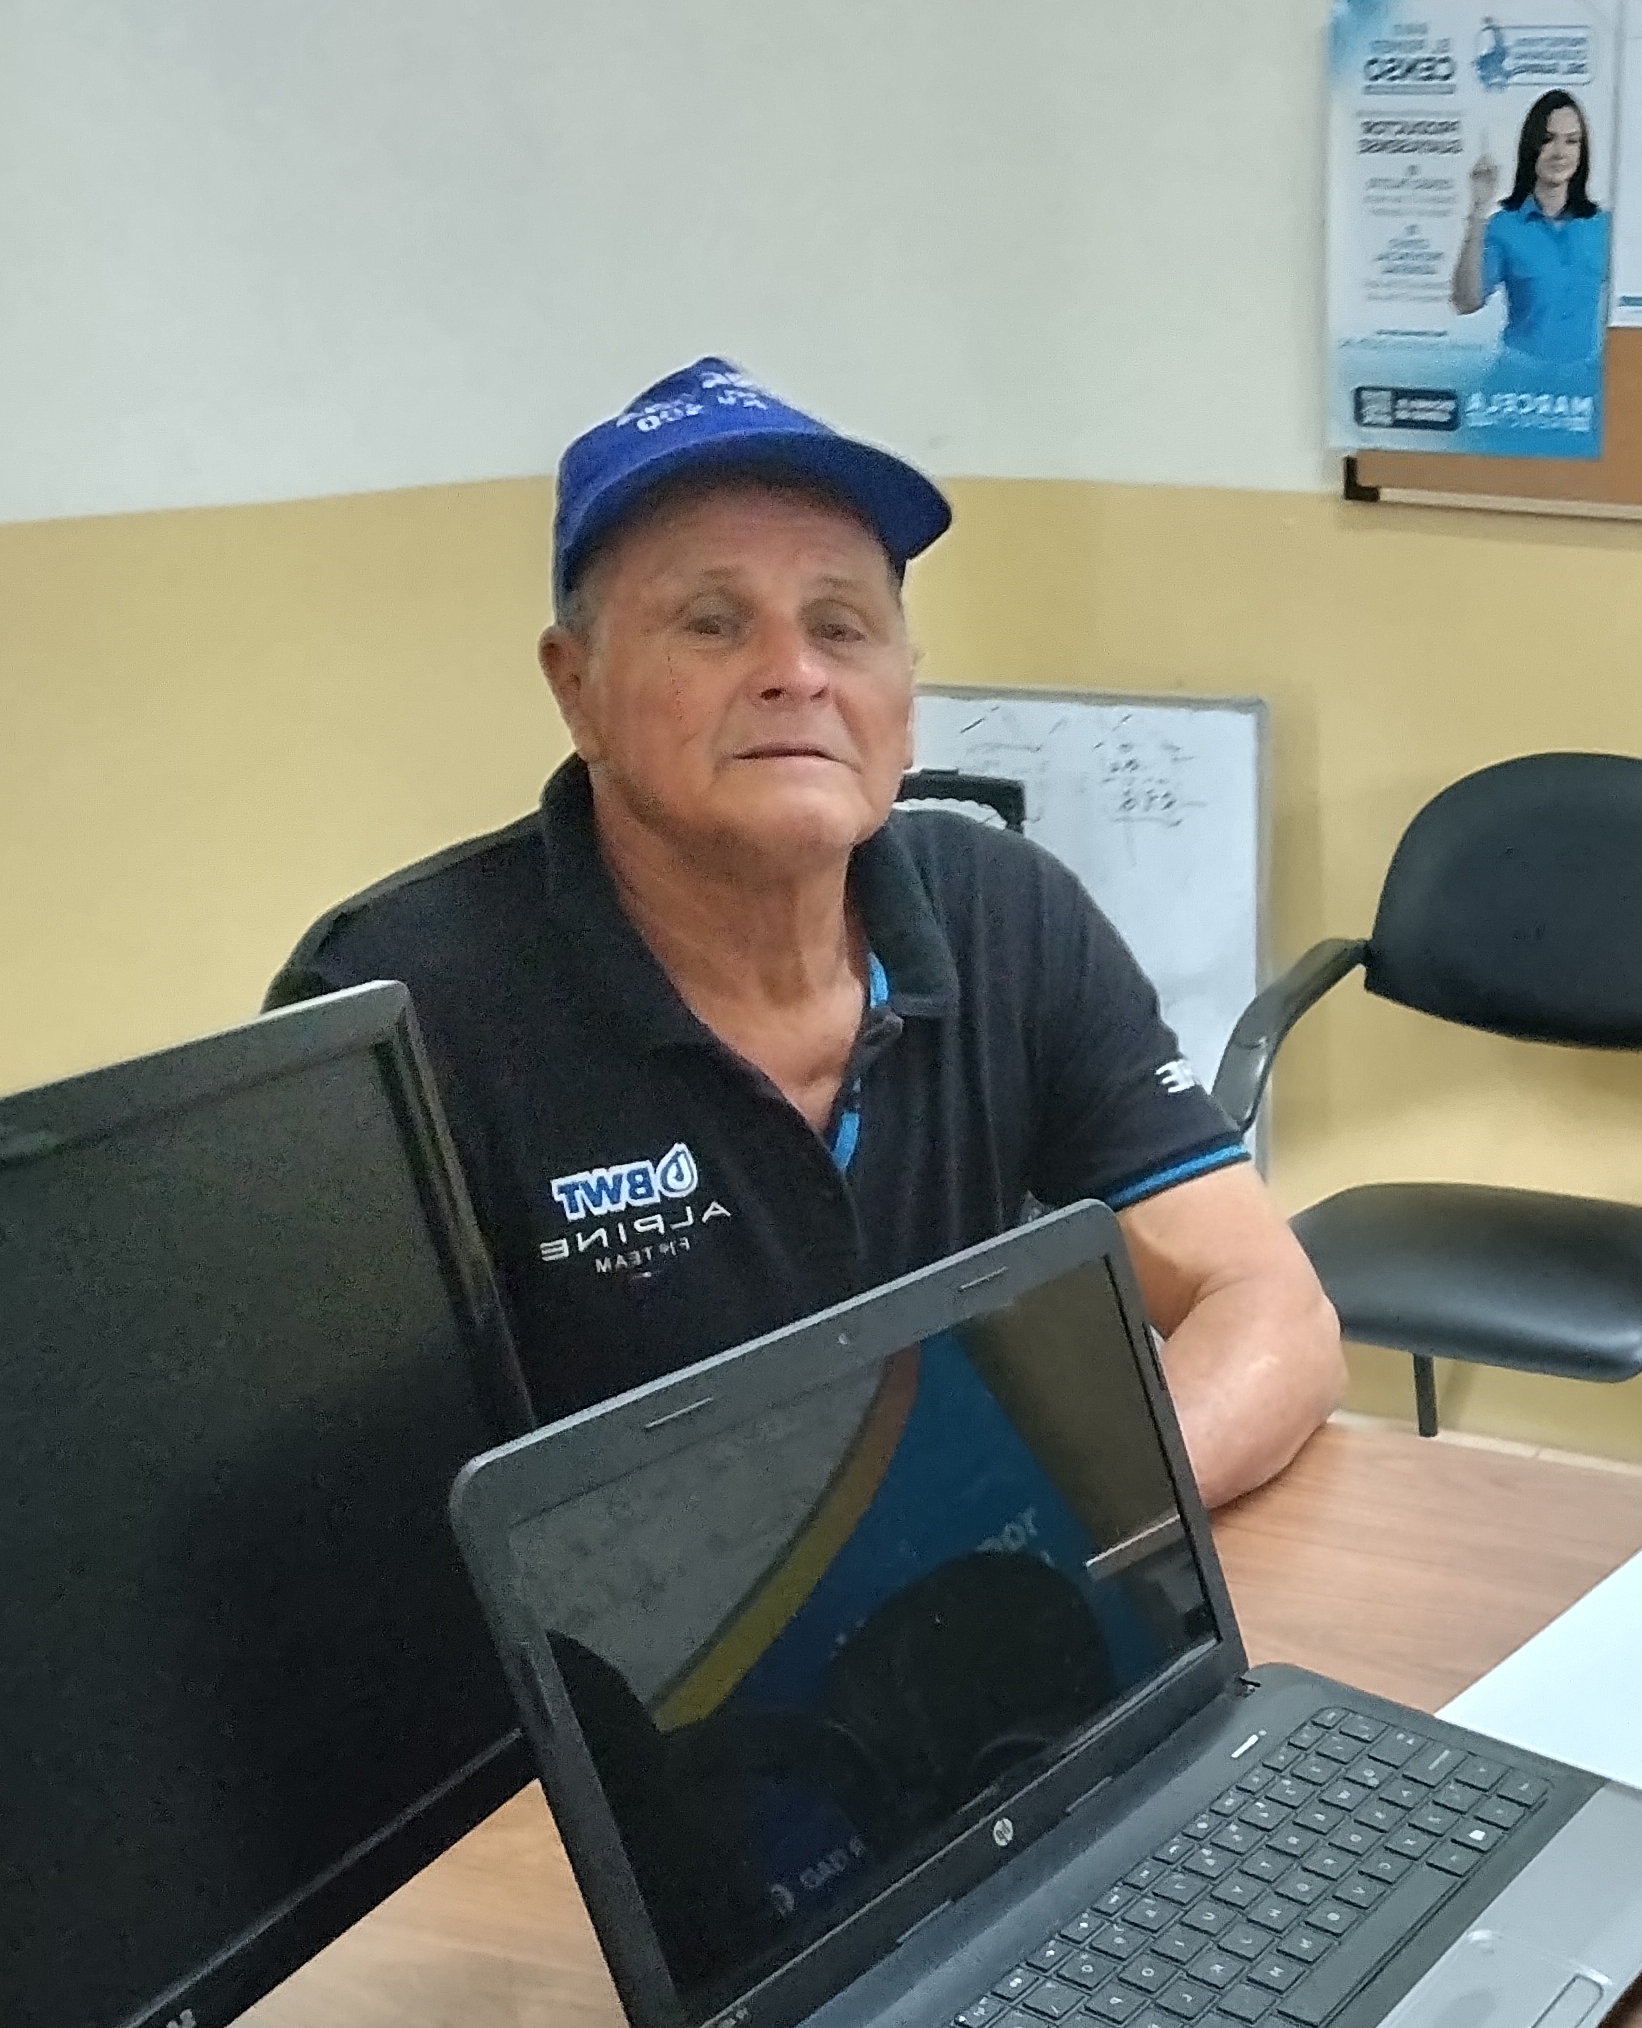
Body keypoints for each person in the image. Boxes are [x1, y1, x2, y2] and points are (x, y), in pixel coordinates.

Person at [269, 358, 1343, 1500]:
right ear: (575, 686)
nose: (794, 674)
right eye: (712, 623)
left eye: (841, 626)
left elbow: (1271, 1307)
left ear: (905, 694)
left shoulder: (1006, 912)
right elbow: (336, 1524)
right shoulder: (388, 1011)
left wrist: (1058, 1523)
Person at [1449, 88, 1605, 400]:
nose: (1560, 152)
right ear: (1530, 146)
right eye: (1548, 139)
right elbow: (1466, 301)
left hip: (1584, 388)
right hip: (1518, 386)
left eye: (1572, 141)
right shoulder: (1504, 226)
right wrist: (1478, 209)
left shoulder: (1603, 226)